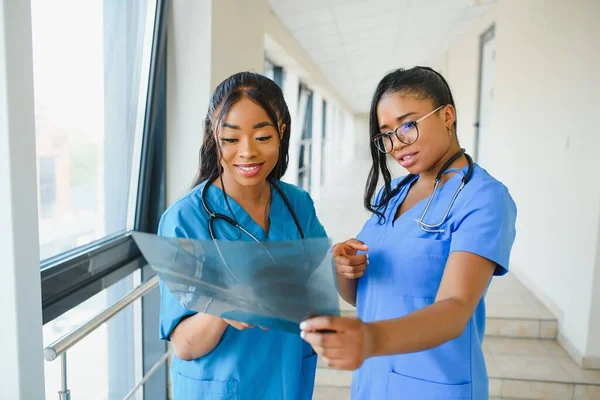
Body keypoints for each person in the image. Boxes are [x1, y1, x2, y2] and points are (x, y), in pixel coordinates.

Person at [300, 66, 517, 399]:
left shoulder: (483, 197)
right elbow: (365, 297)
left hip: (434, 384)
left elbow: (456, 308)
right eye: (386, 134)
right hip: (373, 379)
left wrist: (371, 339)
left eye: (407, 125)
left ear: (447, 115)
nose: (396, 144)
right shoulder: (395, 193)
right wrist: (343, 267)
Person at [158, 72, 327, 400]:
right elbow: (185, 345)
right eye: (232, 139)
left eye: (262, 137)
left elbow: (319, 286)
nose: (247, 152)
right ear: (214, 137)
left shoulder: (297, 204)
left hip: (286, 378)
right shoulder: (185, 219)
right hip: (220, 388)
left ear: (281, 132)